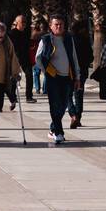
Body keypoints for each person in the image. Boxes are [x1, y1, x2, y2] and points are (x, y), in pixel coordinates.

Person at [35, 14, 84, 144]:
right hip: (53, 78)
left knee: (63, 106)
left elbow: (74, 58)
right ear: (50, 26)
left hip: (67, 77)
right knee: (54, 105)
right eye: (56, 24)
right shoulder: (46, 40)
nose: (59, 26)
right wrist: (47, 70)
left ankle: (53, 128)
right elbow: (38, 58)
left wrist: (77, 76)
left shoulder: (68, 39)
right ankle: (58, 132)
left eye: (61, 24)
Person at [8, 14, 35, 103]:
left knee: (29, 76)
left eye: (25, 22)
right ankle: (13, 97)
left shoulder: (26, 33)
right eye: (22, 22)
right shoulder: (12, 33)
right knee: (14, 78)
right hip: (15, 58)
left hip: (25, 58)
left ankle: (29, 96)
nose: (24, 24)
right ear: (17, 23)